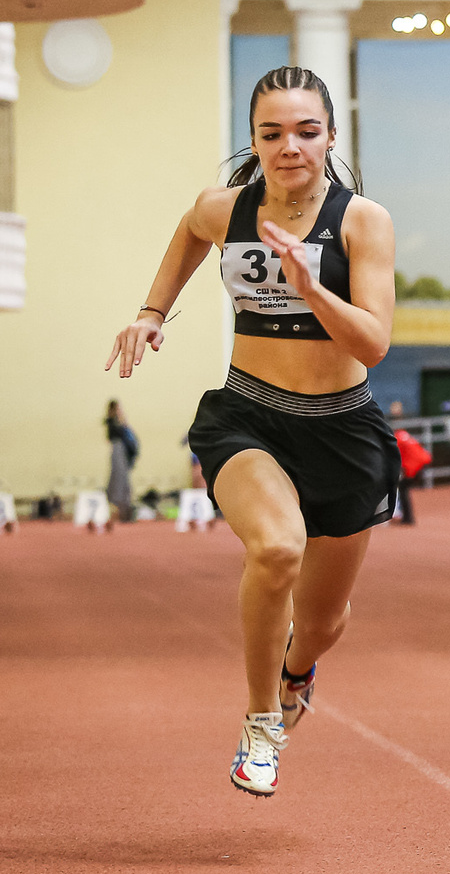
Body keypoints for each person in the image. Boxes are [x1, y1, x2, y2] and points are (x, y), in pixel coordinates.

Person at [107, 65, 398, 799]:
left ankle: (299, 670)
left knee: (324, 620)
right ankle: (262, 721)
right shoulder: (226, 209)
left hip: (342, 431)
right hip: (250, 415)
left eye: (306, 130)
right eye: (272, 133)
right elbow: (188, 232)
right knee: (275, 549)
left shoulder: (362, 220)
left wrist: (312, 287)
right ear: (255, 138)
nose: (289, 145)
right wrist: (150, 311)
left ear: (330, 135)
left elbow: (373, 342)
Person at [390, 401, 428, 526]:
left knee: (403, 488)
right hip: (422, 462)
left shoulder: (399, 438)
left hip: (416, 465)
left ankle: (407, 518)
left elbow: (397, 457)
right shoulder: (403, 435)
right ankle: (406, 516)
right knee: (403, 488)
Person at [105, 399, 138, 525]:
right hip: (118, 452)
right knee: (118, 481)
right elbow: (113, 437)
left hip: (123, 453)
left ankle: (125, 511)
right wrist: (122, 421)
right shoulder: (112, 422)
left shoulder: (119, 422)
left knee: (124, 482)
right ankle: (118, 513)